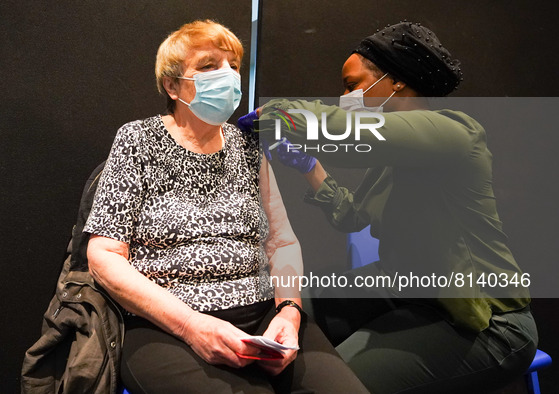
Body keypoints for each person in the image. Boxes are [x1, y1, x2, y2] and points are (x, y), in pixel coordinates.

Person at [239, 21, 538, 393]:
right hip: (405, 288)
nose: (345, 96)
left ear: (395, 80)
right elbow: (352, 216)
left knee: (325, 382)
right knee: (279, 309)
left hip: (485, 322)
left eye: (352, 84)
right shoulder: (390, 158)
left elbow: (346, 132)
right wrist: (310, 167)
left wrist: (277, 115)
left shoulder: (455, 132)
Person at [84, 20, 368, 393]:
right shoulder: (138, 139)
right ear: (172, 85)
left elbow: (282, 242)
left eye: (233, 65)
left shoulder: (248, 145)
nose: (228, 76)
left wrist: (290, 311)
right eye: (208, 66)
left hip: (265, 314)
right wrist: (191, 325)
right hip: (168, 326)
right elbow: (103, 255)